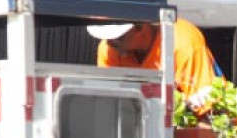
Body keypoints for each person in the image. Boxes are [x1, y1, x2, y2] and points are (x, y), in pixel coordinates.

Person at [88, 16, 223, 111]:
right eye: (107, 38)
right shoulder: (109, 49)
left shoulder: (182, 42)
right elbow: (110, 103)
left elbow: (207, 107)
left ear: (139, 27)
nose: (111, 43)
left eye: (118, 38)